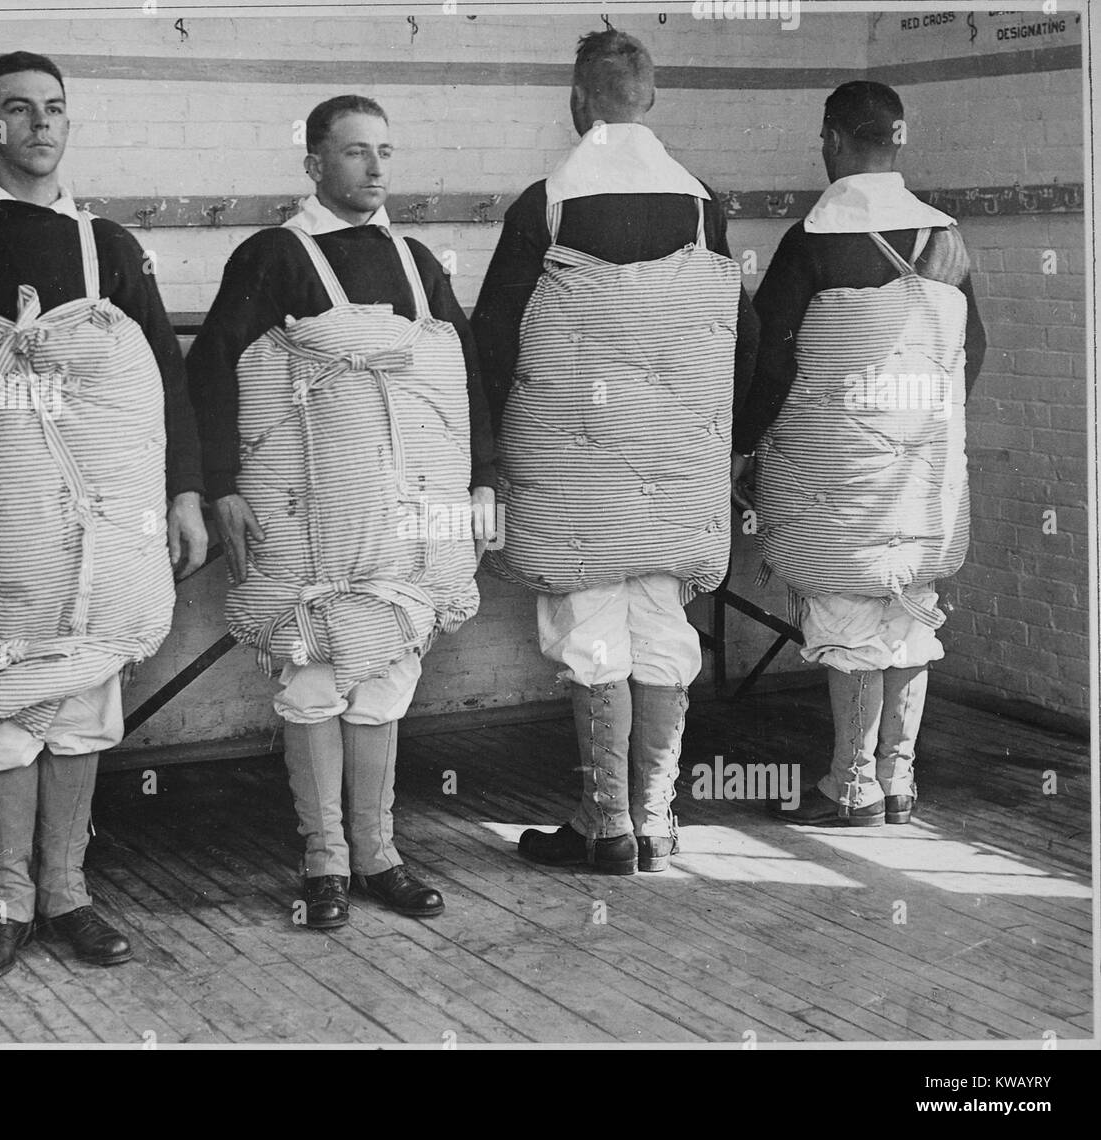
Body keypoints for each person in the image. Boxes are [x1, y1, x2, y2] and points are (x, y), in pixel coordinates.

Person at [0, 52, 208, 979]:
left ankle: (68, 892)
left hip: (98, 525)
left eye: (55, 109)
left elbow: (161, 383)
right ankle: (7, 897)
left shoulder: (113, 248)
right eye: (19, 111)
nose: (41, 125)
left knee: (85, 698)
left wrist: (182, 491)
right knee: (1, 701)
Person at [186, 95, 496, 928]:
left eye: (385, 151)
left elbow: (458, 372)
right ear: (315, 161)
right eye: (356, 152)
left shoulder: (416, 258)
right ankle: (323, 861)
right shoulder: (274, 255)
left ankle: (379, 855)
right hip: (308, 518)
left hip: (404, 518)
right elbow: (215, 365)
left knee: (387, 679)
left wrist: (482, 480)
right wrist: (221, 484)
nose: (376, 167)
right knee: (316, 673)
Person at [472, 30, 758, 874]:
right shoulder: (704, 204)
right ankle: (659, 820)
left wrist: (489, 455)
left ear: (575, 101)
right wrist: (720, 442)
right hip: (678, 468)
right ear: (651, 97)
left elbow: (494, 338)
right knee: (664, 629)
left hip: (575, 474)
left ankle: (607, 829)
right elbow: (735, 337)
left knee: (590, 631)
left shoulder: (548, 203)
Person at [732, 80, 987, 826]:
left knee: (844, 609)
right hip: (922, 468)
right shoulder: (946, 235)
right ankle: (898, 781)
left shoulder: (815, 240)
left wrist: (742, 448)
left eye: (824, 141)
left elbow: (771, 360)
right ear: (899, 140)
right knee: (911, 610)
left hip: (836, 472)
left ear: (835, 139)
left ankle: (851, 787)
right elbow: (970, 351)